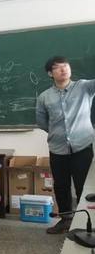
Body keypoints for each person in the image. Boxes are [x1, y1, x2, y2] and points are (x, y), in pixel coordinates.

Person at [36, 56, 95, 234]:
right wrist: (58, 134)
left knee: (84, 187)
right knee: (61, 187)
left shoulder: (84, 87)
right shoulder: (44, 97)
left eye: (66, 66)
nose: (63, 69)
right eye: (58, 67)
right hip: (57, 149)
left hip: (82, 147)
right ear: (50, 73)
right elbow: (42, 122)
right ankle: (65, 220)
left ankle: (86, 222)